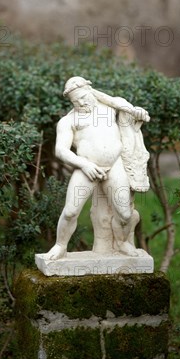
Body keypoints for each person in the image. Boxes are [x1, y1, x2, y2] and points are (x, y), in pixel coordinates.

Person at [45, 76, 150, 260]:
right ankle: (60, 246)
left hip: (115, 166)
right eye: (76, 101)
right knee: (70, 211)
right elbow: (61, 150)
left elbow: (129, 114)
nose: (81, 103)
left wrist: (138, 113)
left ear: (90, 91)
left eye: (84, 97)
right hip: (87, 169)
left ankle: (122, 242)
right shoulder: (69, 121)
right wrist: (85, 164)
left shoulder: (109, 108)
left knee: (125, 214)